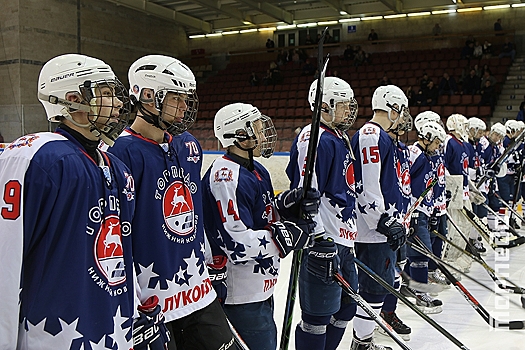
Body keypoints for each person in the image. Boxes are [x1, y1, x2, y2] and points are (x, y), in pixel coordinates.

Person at [0, 54, 137, 348]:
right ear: (73, 100)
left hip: (111, 328)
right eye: (104, 93)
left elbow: (122, 252)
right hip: (54, 333)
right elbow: (6, 260)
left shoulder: (119, 169)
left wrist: (133, 311)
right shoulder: (36, 157)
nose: (116, 103)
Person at [108, 55, 236, 350]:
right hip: (154, 301)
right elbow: (118, 232)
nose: (183, 106)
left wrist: (208, 260)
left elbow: (195, 208)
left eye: (185, 98)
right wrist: (130, 298)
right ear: (147, 97)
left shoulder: (188, 144)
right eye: (175, 97)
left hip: (197, 288)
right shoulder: (121, 153)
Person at [202, 103, 319, 350]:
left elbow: (263, 214)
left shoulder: (258, 170)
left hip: (261, 284)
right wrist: (282, 238)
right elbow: (236, 242)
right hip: (240, 291)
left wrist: (286, 205)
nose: (263, 132)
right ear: (238, 134)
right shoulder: (226, 177)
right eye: (256, 126)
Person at [287, 77, 361, 350]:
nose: (348, 111)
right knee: (317, 316)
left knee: (345, 309)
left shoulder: (341, 137)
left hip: (344, 238)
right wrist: (318, 237)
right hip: (324, 240)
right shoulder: (314, 138)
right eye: (341, 105)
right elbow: (306, 193)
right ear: (324, 106)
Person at [351, 85, 412, 350]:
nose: (403, 116)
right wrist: (382, 220)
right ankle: (361, 342)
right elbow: (367, 184)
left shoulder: (381, 137)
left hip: (378, 226)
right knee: (374, 288)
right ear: (393, 108)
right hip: (371, 229)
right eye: (402, 110)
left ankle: (364, 339)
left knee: (380, 285)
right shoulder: (371, 135)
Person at [406, 121, 447, 314]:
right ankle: (419, 292)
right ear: (428, 137)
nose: (438, 147)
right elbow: (403, 180)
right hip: (414, 211)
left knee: (421, 252)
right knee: (420, 253)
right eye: (437, 142)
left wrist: (432, 209)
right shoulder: (414, 153)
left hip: (424, 210)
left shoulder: (427, 155)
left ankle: (413, 287)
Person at [442, 114, 472, 273]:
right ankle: (448, 262)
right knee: (455, 228)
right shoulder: (449, 141)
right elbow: (443, 167)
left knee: (465, 227)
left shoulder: (463, 144)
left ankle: (458, 259)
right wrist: (453, 191)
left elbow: (464, 170)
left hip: (464, 192)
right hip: (455, 193)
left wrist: (471, 189)